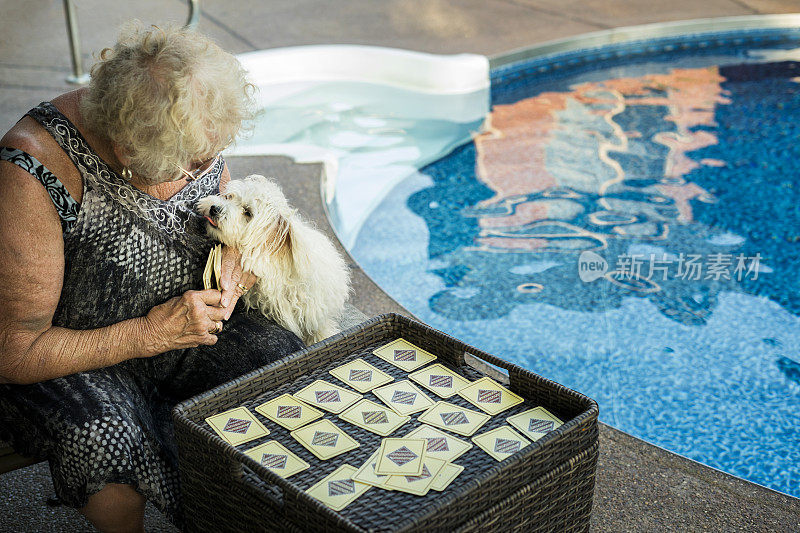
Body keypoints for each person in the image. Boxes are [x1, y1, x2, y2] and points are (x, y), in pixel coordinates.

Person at [0, 24, 305, 532]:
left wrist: (238, 260)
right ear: (124, 149)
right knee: (104, 437)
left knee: (287, 365)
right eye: (190, 167)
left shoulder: (191, 128)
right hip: (72, 355)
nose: (202, 174)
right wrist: (147, 334)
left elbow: (226, 203)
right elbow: (13, 350)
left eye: (209, 158)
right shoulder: (31, 172)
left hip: (183, 326)